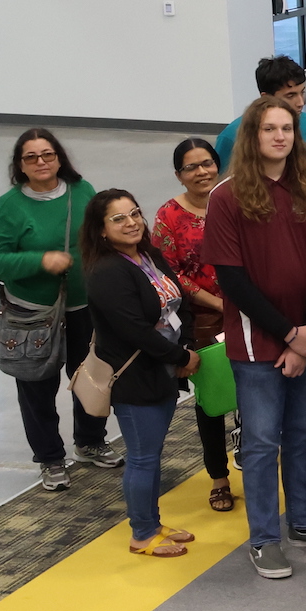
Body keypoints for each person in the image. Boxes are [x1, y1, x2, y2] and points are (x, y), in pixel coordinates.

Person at [204, 96, 306, 578]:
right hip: (257, 342)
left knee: (301, 436)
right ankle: (265, 538)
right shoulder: (226, 197)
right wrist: (289, 335)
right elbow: (232, 279)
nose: (279, 137)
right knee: (261, 443)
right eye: (269, 129)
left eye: (287, 129)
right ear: (252, 137)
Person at [0, 129, 114, 488]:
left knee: (90, 377)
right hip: (33, 315)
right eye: (31, 157)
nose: (41, 162)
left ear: (59, 158)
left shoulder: (82, 192)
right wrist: (40, 260)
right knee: (37, 386)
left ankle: (90, 442)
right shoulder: (10, 206)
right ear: (20, 165)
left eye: (48, 154)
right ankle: (50, 458)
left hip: (84, 306)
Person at [81, 189, 203, 558]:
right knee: (142, 457)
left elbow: (175, 303)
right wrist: (180, 354)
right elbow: (134, 328)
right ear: (101, 230)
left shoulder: (149, 255)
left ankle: (152, 520)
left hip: (162, 370)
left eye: (134, 213)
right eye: (118, 218)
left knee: (151, 452)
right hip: (135, 377)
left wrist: (184, 348)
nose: (131, 222)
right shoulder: (106, 272)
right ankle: (142, 533)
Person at [154, 137, 235, 509]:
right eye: (191, 167)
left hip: (246, 310)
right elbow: (168, 272)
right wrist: (216, 302)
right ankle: (218, 476)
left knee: (255, 391)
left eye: (207, 163)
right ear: (178, 175)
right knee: (212, 401)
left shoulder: (235, 199)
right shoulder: (167, 216)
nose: (201, 172)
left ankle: (253, 454)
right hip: (200, 319)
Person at [213, 56, 306, 170]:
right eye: (290, 96)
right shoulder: (232, 135)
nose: (301, 102)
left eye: (302, 93)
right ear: (266, 97)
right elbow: (225, 183)